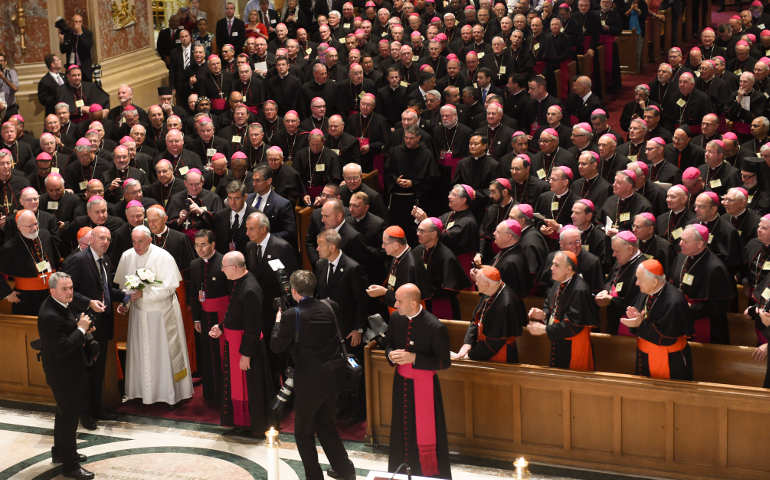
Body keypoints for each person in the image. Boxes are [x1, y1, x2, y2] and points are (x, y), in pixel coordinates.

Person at [270, 270, 357, 480]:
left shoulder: (293, 315)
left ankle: (314, 476)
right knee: (326, 425)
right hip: (333, 376)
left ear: (293, 291)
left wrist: (278, 321)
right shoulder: (330, 306)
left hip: (309, 380)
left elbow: (276, 346)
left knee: (303, 432)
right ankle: (345, 470)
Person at [113, 225, 193, 405]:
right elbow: (123, 286)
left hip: (161, 315)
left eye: (140, 241)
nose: (137, 246)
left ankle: (167, 394)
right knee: (141, 353)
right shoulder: (127, 256)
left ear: (150, 239)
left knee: (161, 354)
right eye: (133, 241)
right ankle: (142, 392)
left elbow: (170, 287)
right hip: (139, 316)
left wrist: (144, 294)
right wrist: (125, 303)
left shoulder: (163, 257)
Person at [384, 283, 451, 478]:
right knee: (400, 430)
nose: (395, 304)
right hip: (401, 384)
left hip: (425, 389)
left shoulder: (435, 326)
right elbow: (389, 344)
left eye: (399, 301)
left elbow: (443, 362)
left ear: (413, 303)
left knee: (425, 433)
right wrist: (391, 355)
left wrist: (415, 359)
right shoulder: (396, 319)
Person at [62, 226, 125, 428]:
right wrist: (88, 302)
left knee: (98, 371)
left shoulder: (105, 259)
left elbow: (105, 291)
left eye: (108, 238)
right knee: (86, 372)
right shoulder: (77, 260)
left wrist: (125, 295)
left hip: (104, 323)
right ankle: (85, 415)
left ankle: (97, 409)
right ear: (91, 240)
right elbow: (67, 293)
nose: (105, 242)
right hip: (85, 324)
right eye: (101, 238)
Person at [37, 272, 97, 480]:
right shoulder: (50, 315)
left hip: (69, 369)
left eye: (71, 288)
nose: (70, 292)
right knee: (70, 417)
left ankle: (61, 453)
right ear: (52, 290)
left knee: (64, 414)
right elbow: (62, 348)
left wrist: (81, 327)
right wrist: (81, 329)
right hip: (62, 372)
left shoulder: (59, 305)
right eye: (65, 289)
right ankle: (70, 466)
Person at [210, 251, 273, 436]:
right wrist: (221, 327)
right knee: (238, 388)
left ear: (236, 268)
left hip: (246, 347)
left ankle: (253, 426)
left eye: (224, 267)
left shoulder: (250, 289)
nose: (221, 270)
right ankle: (241, 422)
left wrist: (246, 354)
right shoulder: (239, 282)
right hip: (236, 343)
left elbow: (252, 326)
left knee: (251, 389)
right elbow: (236, 313)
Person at [621, 259, 693, 380]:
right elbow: (642, 320)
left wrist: (639, 324)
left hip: (669, 360)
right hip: (645, 354)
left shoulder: (674, 301)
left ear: (654, 282)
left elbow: (666, 337)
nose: (636, 283)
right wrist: (636, 319)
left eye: (640, 279)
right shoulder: (646, 291)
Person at [526, 250, 598, 370]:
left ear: (569, 269)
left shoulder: (580, 289)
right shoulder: (558, 282)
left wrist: (545, 329)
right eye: (552, 264)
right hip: (560, 338)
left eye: (556, 265)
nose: (551, 268)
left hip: (573, 342)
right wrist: (543, 314)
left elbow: (573, 324)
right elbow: (551, 305)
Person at [188, 229, 228, 410]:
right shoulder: (195, 264)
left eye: (203, 244)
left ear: (213, 245)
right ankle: (210, 392)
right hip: (204, 316)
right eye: (197, 245)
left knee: (222, 355)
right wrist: (196, 318)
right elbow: (194, 293)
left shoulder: (224, 262)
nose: (200, 249)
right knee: (206, 354)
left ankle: (224, 392)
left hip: (222, 316)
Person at [454, 265, 525, 363]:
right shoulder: (490, 290)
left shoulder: (506, 304)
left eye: (478, 281)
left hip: (500, 356)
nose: (476, 283)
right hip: (483, 350)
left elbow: (494, 343)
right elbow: (475, 320)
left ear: (487, 284)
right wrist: (468, 343)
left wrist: (470, 355)